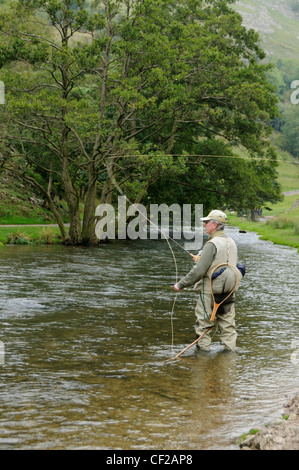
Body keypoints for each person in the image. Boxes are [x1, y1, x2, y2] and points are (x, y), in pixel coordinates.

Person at [173, 209, 242, 351]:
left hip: (210, 292)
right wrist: (202, 258)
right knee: (228, 328)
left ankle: (203, 361)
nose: (204, 225)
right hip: (229, 292)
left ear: (215, 225)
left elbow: (199, 271)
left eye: (206, 222)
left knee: (203, 327)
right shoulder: (232, 242)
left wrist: (181, 284)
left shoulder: (212, 244)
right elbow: (227, 263)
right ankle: (228, 362)